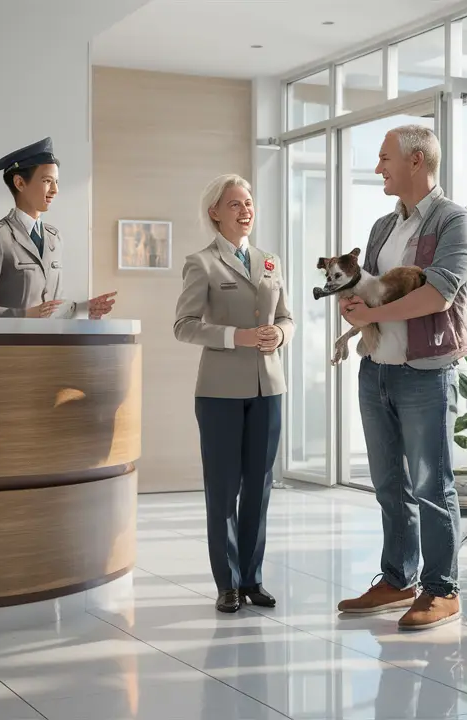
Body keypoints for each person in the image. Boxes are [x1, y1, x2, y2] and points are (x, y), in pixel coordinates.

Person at [335, 125, 467, 630]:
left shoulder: (454, 223)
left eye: (384, 158)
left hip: (425, 373)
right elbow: (368, 290)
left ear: (417, 161)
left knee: (430, 484)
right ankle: (398, 579)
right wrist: (352, 304)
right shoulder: (381, 227)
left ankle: (442, 590)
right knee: (388, 483)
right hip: (377, 370)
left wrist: (369, 315)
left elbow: (436, 295)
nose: (378, 167)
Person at [174, 174, 292, 613]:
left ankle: (252, 579)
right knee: (224, 490)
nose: (246, 210)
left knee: (259, 487)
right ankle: (227, 583)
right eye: (235, 203)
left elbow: (288, 317)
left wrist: (279, 335)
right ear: (215, 213)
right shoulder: (201, 263)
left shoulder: (269, 261)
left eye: (249, 202)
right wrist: (235, 337)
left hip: (269, 388)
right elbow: (183, 326)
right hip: (220, 392)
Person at [0, 137, 117, 319]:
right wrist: (24, 315)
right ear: (20, 183)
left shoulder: (54, 238)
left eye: (56, 182)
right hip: (8, 347)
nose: (55, 190)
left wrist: (83, 309)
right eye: (47, 181)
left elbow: (52, 307)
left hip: (47, 345)